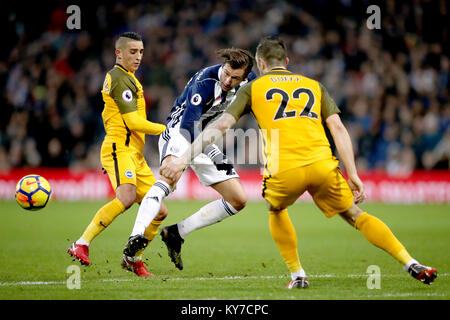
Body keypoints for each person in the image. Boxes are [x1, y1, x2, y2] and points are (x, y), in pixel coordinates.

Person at [160, 36, 438, 288]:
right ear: (287, 62)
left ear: (260, 63)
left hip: (285, 169)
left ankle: (298, 275)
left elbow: (220, 127)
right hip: (322, 163)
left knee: (277, 210)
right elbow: (339, 129)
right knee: (356, 215)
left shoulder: (254, 87)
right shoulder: (314, 86)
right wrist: (352, 173)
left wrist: (184, 158)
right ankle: (410, 261)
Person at [122, 48, 256, 270]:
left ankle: (176, 233)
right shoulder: (205, 82)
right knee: (169, 175)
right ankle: (136, 236)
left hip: (205, 136)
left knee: (238, 199)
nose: (228, 80)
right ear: (223, 66)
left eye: (235, 78)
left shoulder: (249, 85)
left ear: (246, 76)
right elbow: (187, 127)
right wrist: (190, 158)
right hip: (180, 130)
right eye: (226, 73)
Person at [67, 32, 168, 277]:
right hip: (119, 148)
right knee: (126, 197)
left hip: (135, 153)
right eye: (133, 51)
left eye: (141, 51)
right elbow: (133, 121)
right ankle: (82, 243)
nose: (138, 56)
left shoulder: (130, 78)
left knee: (159, 211)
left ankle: (133, 258)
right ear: (118, 53)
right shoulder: (119, 78)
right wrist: (166, 129)